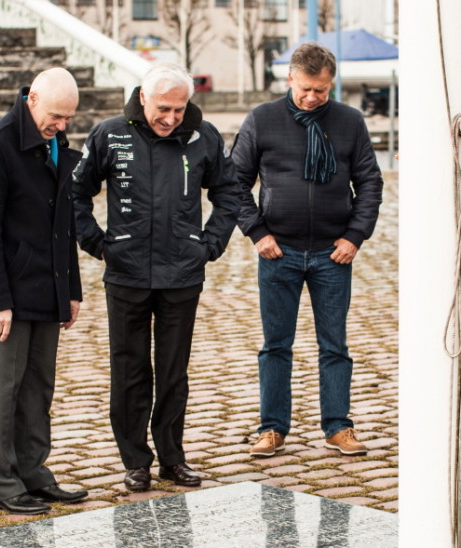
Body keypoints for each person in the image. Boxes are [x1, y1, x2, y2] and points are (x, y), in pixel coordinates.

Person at [72, 62, 240, 493]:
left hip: (182, 274)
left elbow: (229, 193)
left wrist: (210, 244)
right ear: (143, 98)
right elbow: (75, 193)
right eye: (163, 108)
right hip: (126, 273)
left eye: (179, 111)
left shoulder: (205, 138)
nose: (170, 119)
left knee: (172, 372)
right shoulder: (109, 134)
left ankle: (172, 458)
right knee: (128, 371)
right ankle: (135, 461)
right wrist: (97, 243)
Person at [232, 42, 383, 457]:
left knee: (334, 345)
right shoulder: (262, 120)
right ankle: (272, 428)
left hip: (332, 255)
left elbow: (370, 183)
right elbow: (234, 183)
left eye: (322, 90)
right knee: (275, 345)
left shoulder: (350, 122)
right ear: (290, 80)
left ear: (331, 84)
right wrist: (257, 232)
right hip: (277, 252)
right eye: (306, 89)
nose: (313, 98)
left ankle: (338, 427)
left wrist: (355, 236)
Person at [0, 67, 88, 515]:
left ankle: (34, 473)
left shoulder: (57, 146)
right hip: (7, 297)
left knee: (39, 388)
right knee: (3, 391)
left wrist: (71, 289)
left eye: (69, 119)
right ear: (31, 99)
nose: (62, 125)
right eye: (55, 115)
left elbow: (64, 226)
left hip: (48, 289)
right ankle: (2, 483)